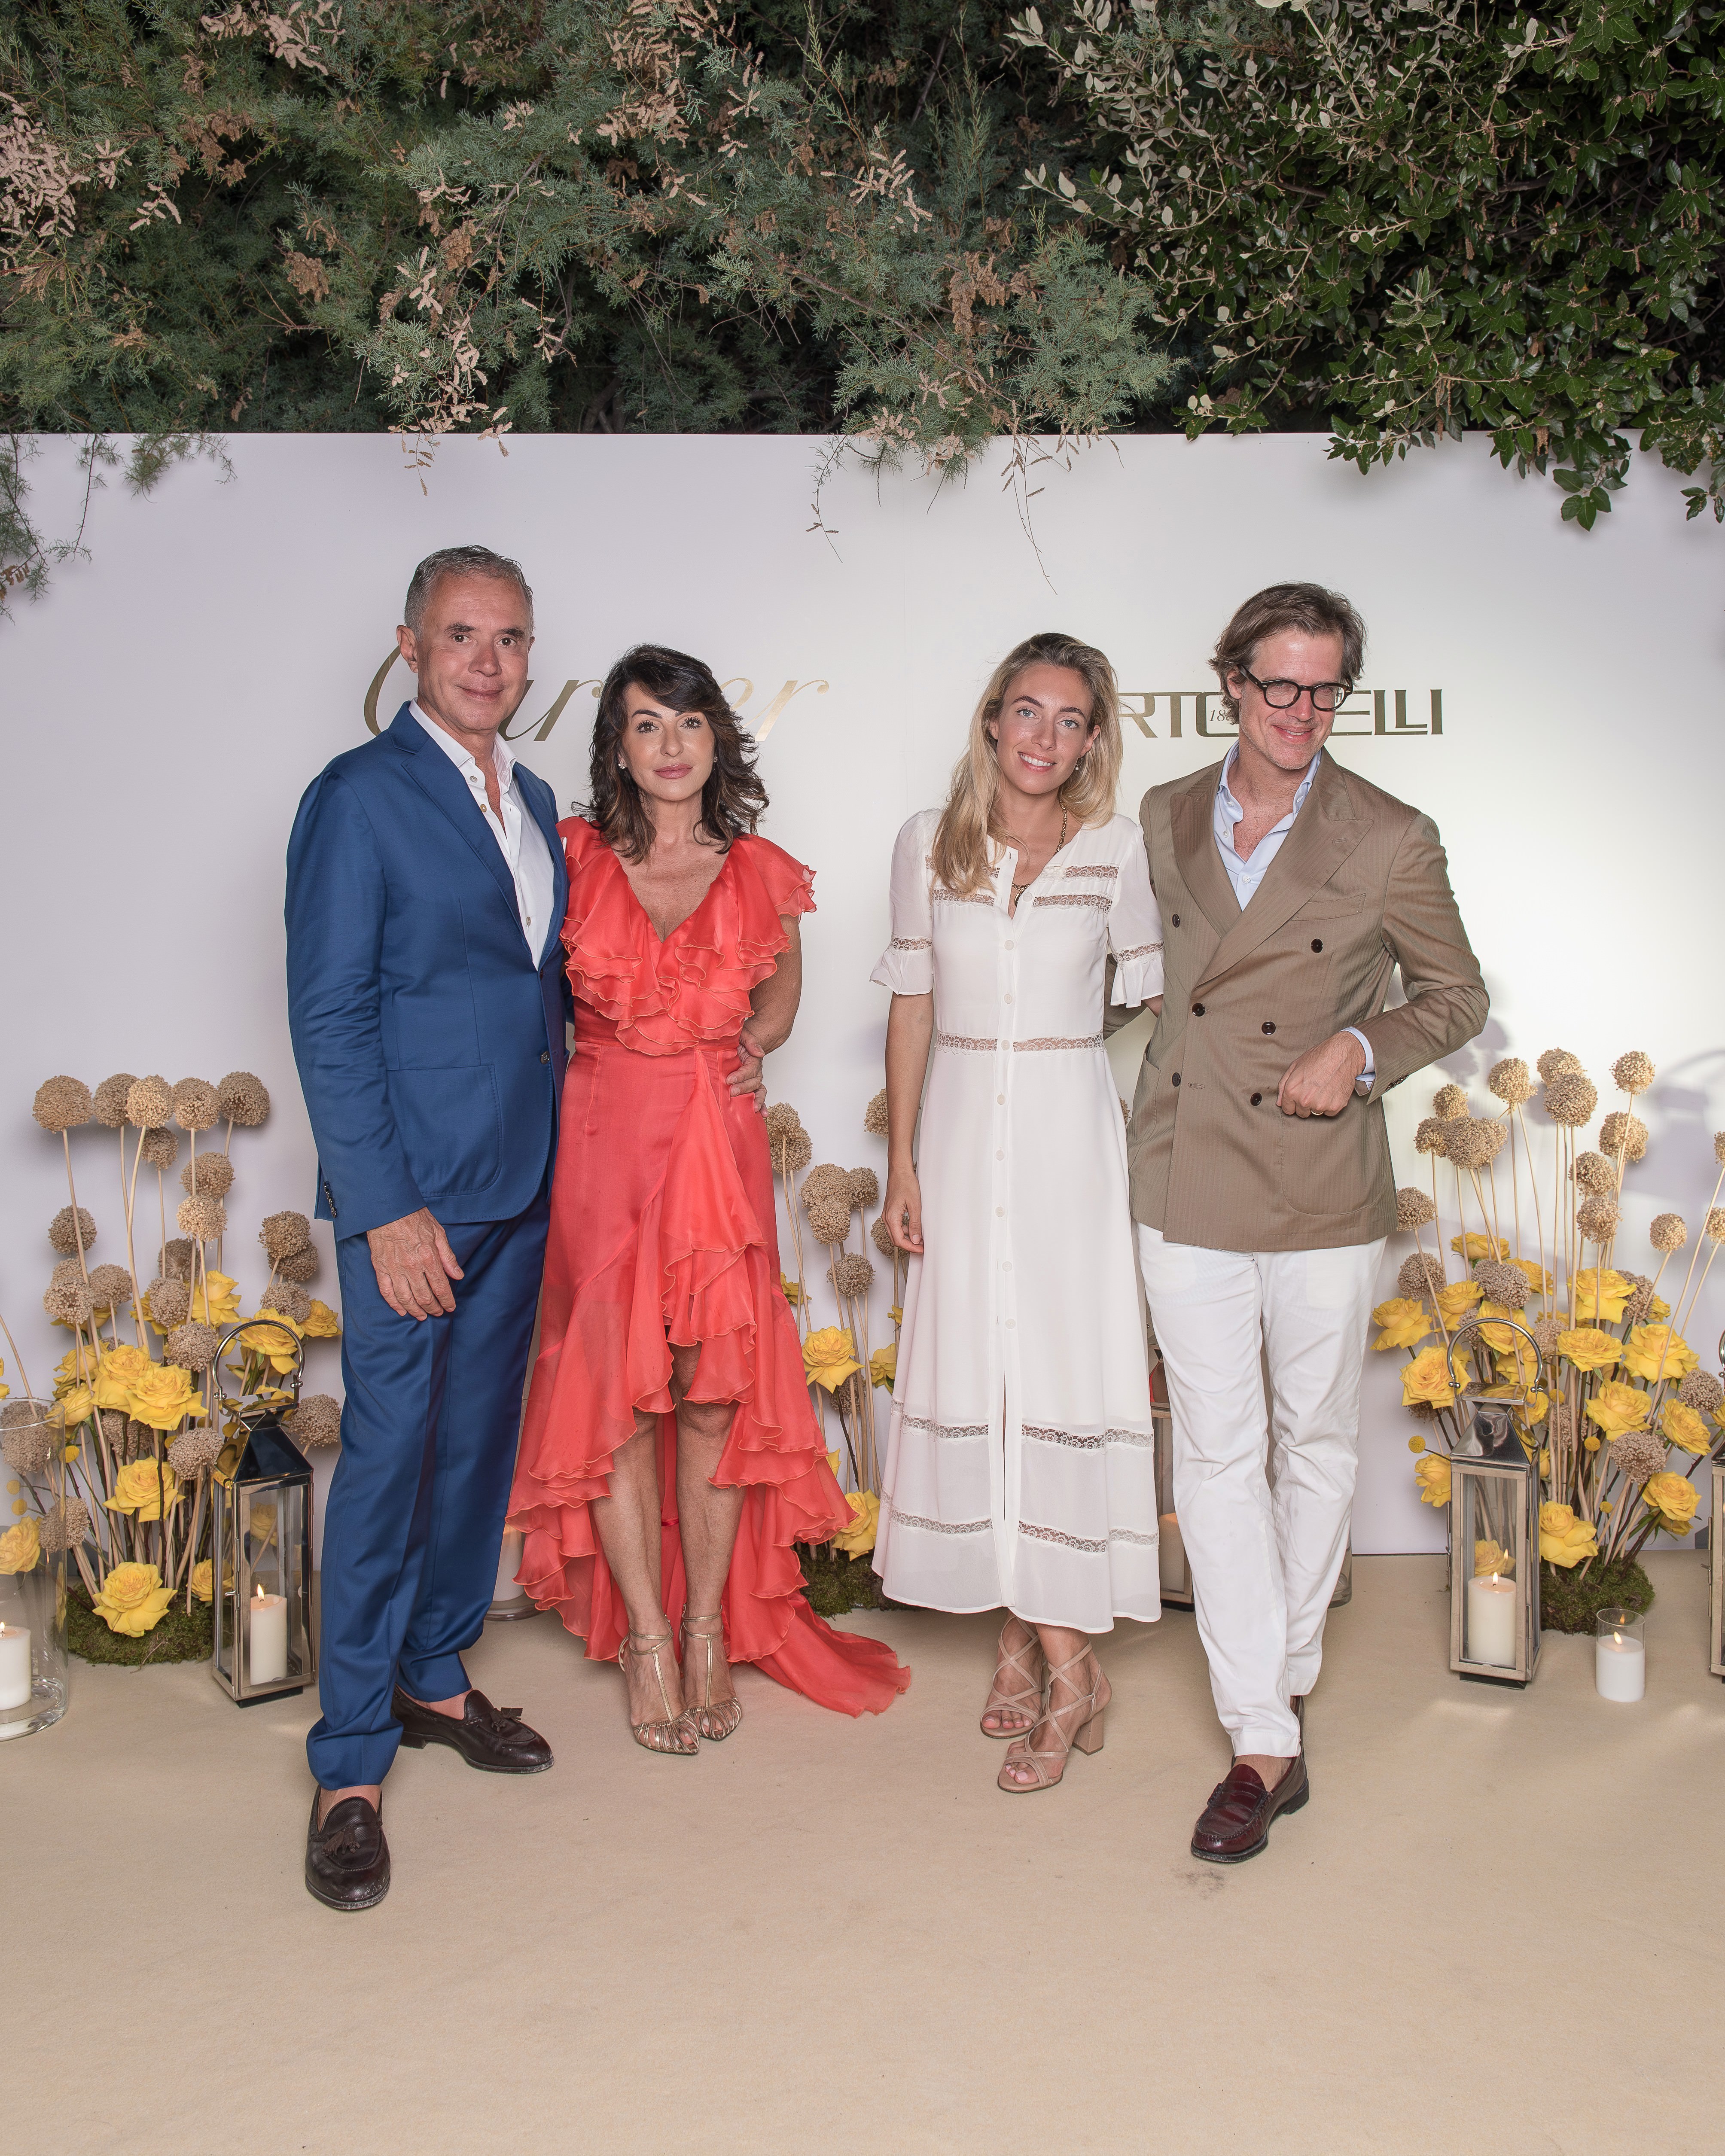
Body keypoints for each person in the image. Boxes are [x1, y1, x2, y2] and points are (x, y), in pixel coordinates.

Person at [1128, 582, 1487, 1863]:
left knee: (1316, 1439)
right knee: (1216, 1452)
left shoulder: (1390, 834)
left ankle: (1271, 1687)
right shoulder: (1166, 812)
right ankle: (1263, 1735)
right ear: (1233, 681)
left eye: (1326, 688)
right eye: (1279, 684)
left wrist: (1360, 1045)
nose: (1301, 710)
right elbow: (1148, 976)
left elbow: (1456, 994)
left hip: (1321, 1170)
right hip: (1185, 1166)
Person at [508, 646, 909, 1746]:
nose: (671, 744)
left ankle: (702, 1629)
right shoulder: (569, 855)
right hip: (604, 1144)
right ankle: (645, 1637)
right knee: (615, 1395)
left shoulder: (761, 871)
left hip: (713, 1146)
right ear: (618, 749)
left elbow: (781, 994)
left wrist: (754, 1045)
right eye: (646, 725)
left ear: (717, 740)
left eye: (688, 723)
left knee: (711, 1395)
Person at [285, 545, 571, 1912]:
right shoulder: (357, 797)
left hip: (521, 1181)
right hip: (414, 1197)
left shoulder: (537, 798)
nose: (486, 661)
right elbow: (330, 1014)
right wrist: (385, 1203)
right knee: (391, 1461)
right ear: (410, 645)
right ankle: (348, 1763)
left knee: (472, 1453)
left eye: (509, 639)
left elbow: (531, 990)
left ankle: (436, 1674)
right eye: (462, 635)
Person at [872, 632, 1165, 1793]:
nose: (1046, 736)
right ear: (994, 717)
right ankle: (1030, 1633)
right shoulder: (926, 843)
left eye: (1071, 719)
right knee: (982, 1370)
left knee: (1056, 1373)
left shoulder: (1118, 849)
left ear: (1092, 741)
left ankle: (1065, 1662)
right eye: (1028, 710)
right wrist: (901, 1163)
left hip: (1066, 1140)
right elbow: (910, 1007)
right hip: (956, 1134)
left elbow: (1156, 1006)